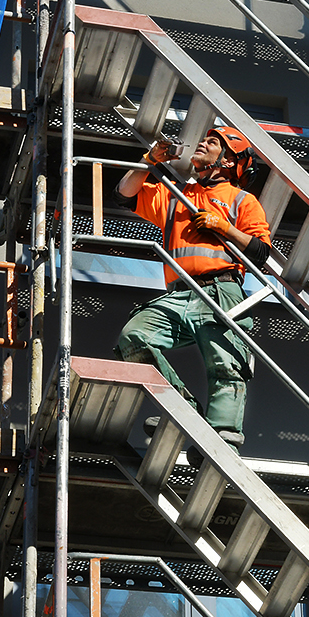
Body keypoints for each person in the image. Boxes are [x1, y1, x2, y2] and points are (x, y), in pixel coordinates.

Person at [114, 126, 271, 452]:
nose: (203, 143)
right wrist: (149, 160)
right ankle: (185, 413)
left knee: (226, 366)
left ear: (228, 161)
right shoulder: (177, 195)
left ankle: (222, 439)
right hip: (178, 294)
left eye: (213, 143)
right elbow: (125, 194)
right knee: (134, 337)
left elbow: (260, 251)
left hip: (221, 291)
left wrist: (224, 227)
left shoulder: (241, 200)